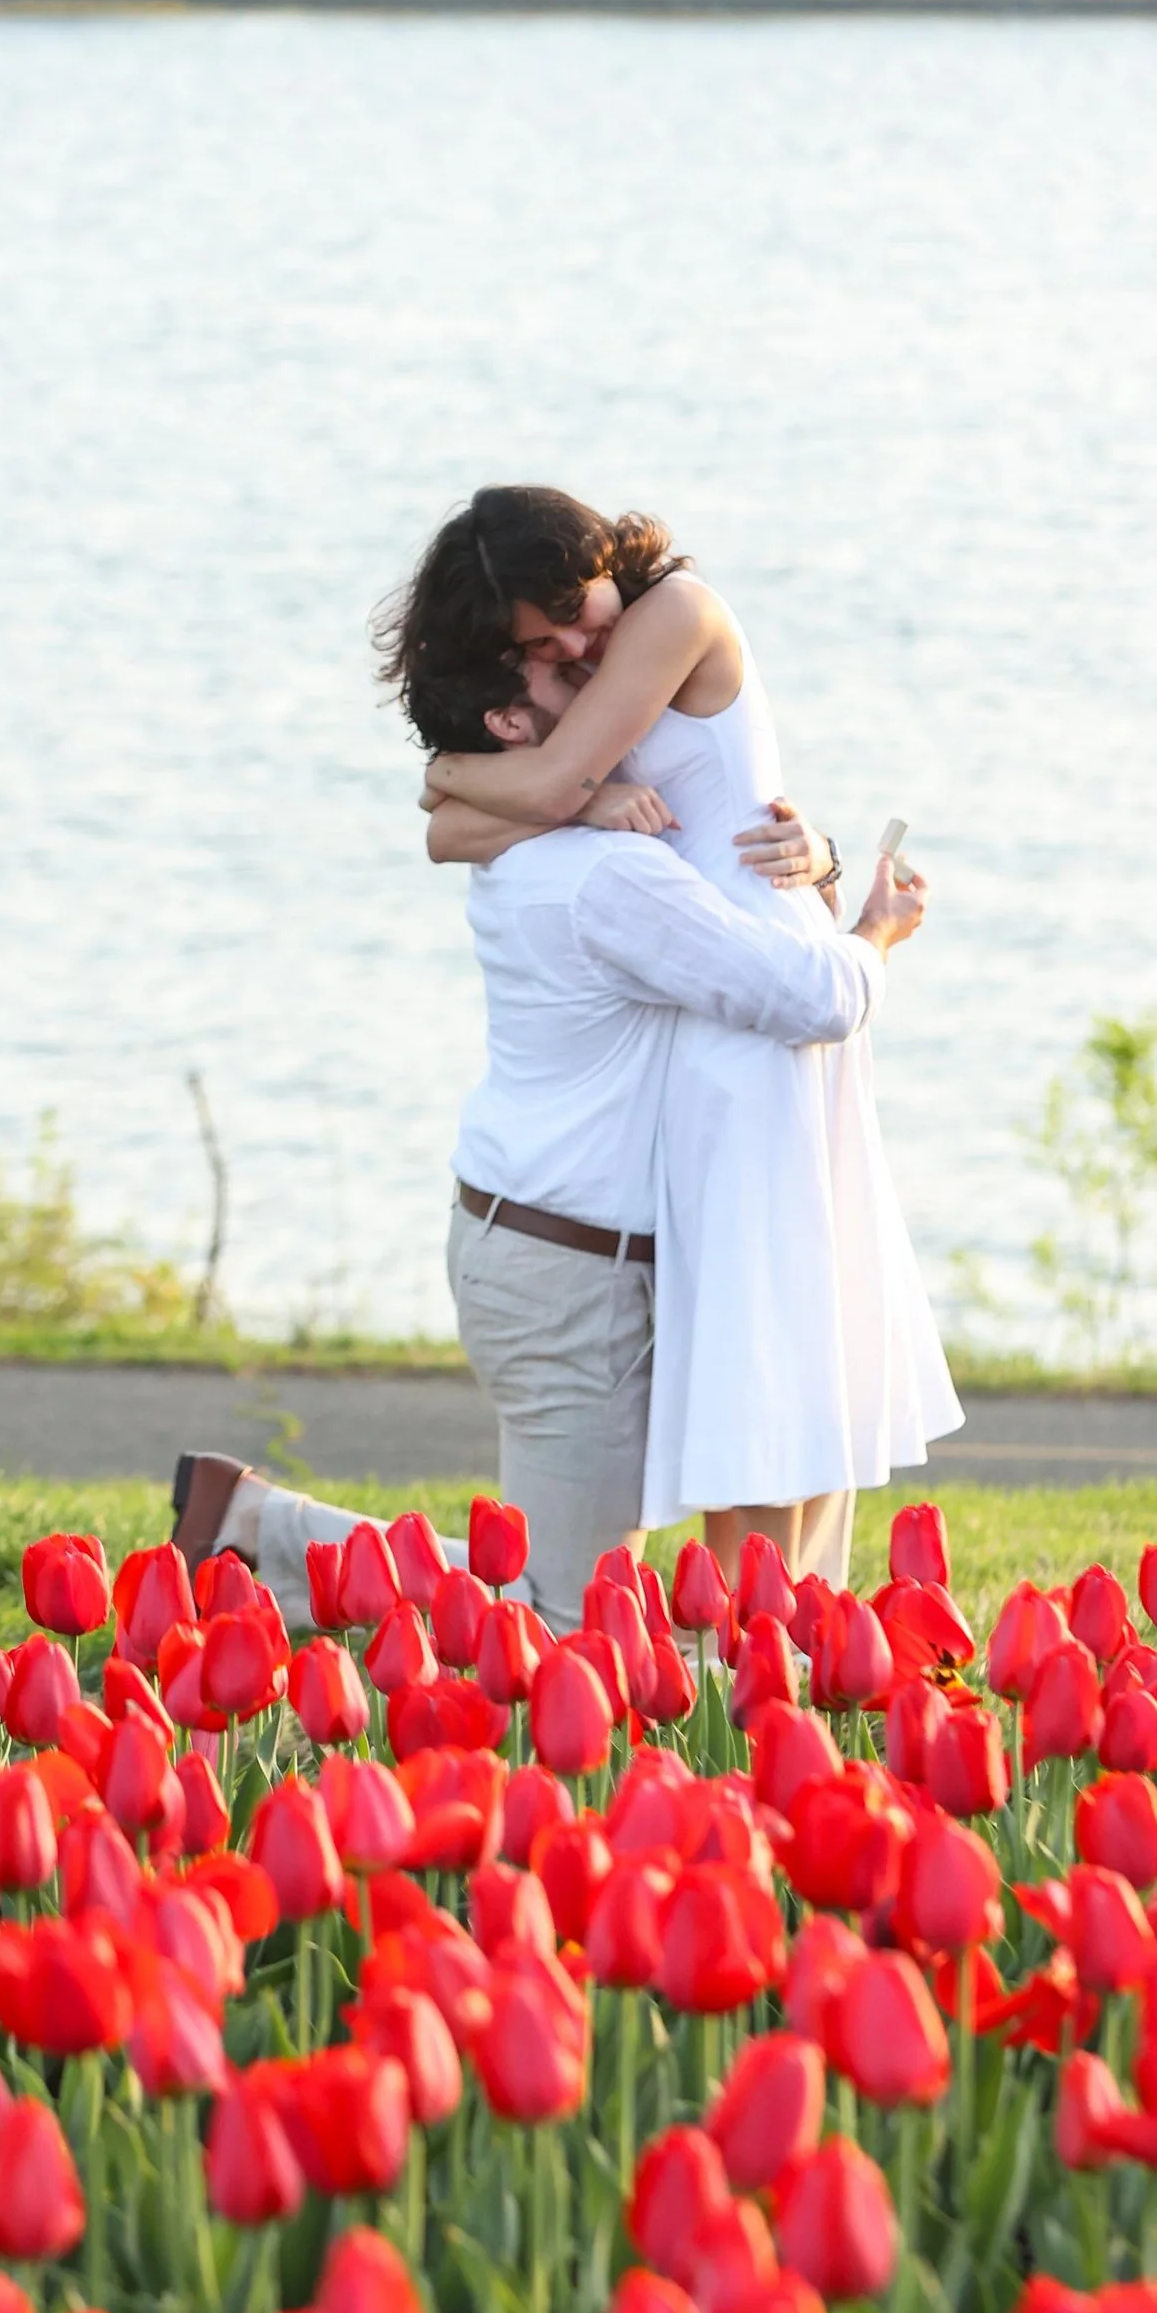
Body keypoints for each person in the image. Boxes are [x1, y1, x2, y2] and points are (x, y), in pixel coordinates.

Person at [174, 649, 928, 1624]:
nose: (609, 689)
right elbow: (808, 995)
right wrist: (877, 931)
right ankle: (256, 1530)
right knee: (567, 1623)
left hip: (550, 1248)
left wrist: (816, 856)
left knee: (578, 1605)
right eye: (568, 674)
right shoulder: (608, 871)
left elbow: (723, 907)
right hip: (571, 1276)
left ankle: (252, 1528)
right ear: (509, 724)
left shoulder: (550, 840)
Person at [387, 483, 960, 1585]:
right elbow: (457, 828)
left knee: (779, 1348)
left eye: (573, 612)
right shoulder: (591, 824)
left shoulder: (676, 612)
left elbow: (519, 792)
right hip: (727, 992)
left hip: (755, 992)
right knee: (760, 1355)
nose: (575, 646)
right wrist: (532, 794)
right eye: (542, 647)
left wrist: (465, 775)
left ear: (603, 559)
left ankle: (775, 1632)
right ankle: (766, 1634)